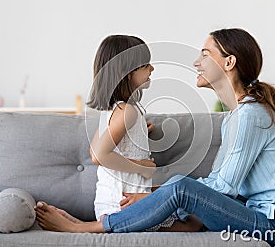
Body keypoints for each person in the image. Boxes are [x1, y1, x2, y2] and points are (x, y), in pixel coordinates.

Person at [35, 28, 275, 246]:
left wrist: (155, 196)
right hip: (259, 212)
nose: (197, 62)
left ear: (229, 63)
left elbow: (223, 187)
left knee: (181, 187)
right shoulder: (235, 117)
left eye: (205, 54)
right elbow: (222, 183)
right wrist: (157, 195)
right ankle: (108, 220)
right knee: (183, 197)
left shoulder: (250, 115)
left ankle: (85, 227)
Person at [36, 34, 202, 232]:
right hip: (125, 205)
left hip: (116, 202)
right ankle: (81, 227)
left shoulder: (118, 110)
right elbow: (98, 155)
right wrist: (141, 167)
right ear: (127, 72)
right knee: (193, 224)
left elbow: (95, 148)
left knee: (190, 216)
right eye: (145, 65)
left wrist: (138, 132)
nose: (152, 68)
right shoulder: (127, 112)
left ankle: (85, 224)